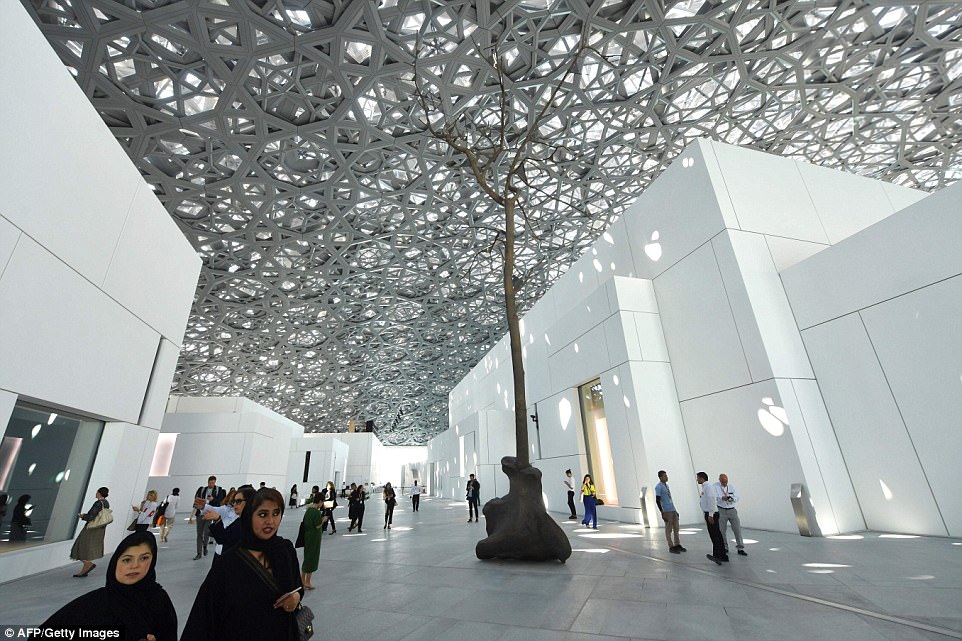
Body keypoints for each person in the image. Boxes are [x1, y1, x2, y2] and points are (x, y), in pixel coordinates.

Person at [181, 488, 303, 641]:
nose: (271, 521)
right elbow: (204, 617)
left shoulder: (284, 550)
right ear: (249, 516)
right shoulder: (229, 563)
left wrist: (296, 597)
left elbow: (297, 586)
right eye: (262, 514)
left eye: (276, 513)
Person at [44, 530, 177, 641]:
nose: (135, 565)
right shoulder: (94, 604)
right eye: (127, 560)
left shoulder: (158, 600)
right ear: (115, 563)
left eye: (144, 558)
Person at [200, 485, 255, 564]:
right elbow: (224, 538)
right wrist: (204, 507)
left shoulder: (251, 523)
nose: (235, 504)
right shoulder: (229, 510)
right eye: (234, 501)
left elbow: (228, 539)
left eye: (238, 501)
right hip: (221, 553)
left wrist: (218, 520)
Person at [71, 488, 110, 577]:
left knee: (79, 546)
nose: (96, 493)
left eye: (97, 492)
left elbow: (90, 516)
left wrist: (82, 516)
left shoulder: (98, 503)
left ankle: (88, 564)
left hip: (91, 528)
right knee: (88, 547)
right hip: (100, 528)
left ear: (99, 493)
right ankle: (85, 569)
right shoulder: (106, 503)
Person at [697, 471, 728, 565]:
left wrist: (710, 514)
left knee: (714, 535)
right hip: (710, 513)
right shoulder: (705, 487)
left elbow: (712, 500)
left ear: (702, 478)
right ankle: (722, 555)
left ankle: (718, 555)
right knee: (717, 534)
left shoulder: (708, 487)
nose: (697, 479)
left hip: (712, 514)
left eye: (698, 478)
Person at [714, 473, 747, 557]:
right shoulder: (715, 486)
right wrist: (722, 498)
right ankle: (725, 547)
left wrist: (732, 498)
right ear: (719, 480)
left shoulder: (732, 487)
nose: (725, 484)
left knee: (737, 529)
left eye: (726, 482)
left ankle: (740, 548)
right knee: (722, 530)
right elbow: (713, 497)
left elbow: (737, 497)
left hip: (732, 510)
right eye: (723, 482)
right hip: (721, 510)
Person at [194, 476, 226, 560]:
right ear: (208, 482)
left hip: (209, 513)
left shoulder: (219, 490)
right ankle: (199, 553)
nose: (211, 484)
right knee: (199, 534)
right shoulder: (202, 489)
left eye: (213, 483)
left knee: (206, 532)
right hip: (200, 513)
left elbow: (220, 501)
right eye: (210, 483)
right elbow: (196, 499)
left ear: (215, 482)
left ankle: (205, 546)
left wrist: (212, 499)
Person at [655, 471, 685, 554]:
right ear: (660, 477)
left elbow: (669, 498)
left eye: (666, 475)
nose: (666, 477)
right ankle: (671, 546)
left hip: (672, 509)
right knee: (668, 529)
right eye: (664, 476)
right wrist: (662, 512)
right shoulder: (658, 487)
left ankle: (677, 544)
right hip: (666, 510)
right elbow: (657, 500)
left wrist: (675, 510)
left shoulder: (666, 486)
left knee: (676, 527)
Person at [300, 494, 326, 589]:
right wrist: (323, 520)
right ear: (319, 501)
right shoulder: (316, 512)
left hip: (307, 536)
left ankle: (302, 580)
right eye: (322, 502)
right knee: (312, 558)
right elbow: (317, 525)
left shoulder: (308, 510)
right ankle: (307, 582)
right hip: (314, 537)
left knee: (307, 557)